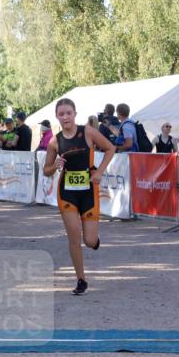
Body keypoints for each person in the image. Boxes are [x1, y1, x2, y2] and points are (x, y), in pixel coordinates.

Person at [42, 97, 116, 296]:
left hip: (88, 192)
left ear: (75, 114)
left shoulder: (88, 132)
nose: (65, 117)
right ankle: (81, 279)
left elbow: (111, 148)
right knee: (74, 236)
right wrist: (54, 165)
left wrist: (99, 172)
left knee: (89, 241)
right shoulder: (55, 141)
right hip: (67, 194)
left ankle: (94, 240)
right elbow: (46, 170)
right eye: (61, 114)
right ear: (57, 117)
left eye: (68, 113)